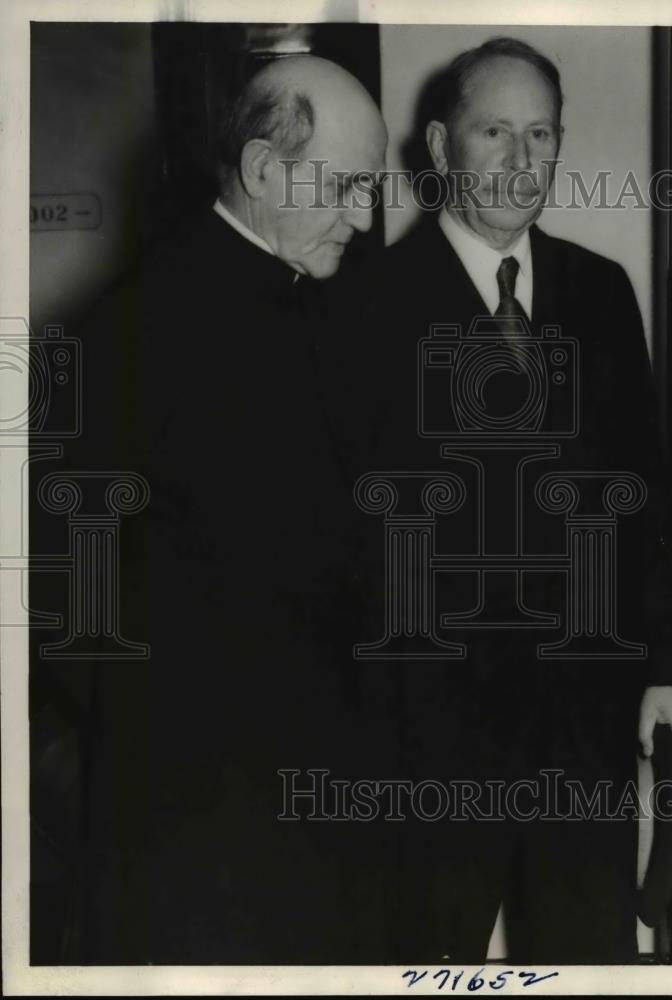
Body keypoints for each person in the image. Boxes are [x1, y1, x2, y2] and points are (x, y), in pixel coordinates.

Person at [360, 36, 672, 963]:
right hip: (427, 732)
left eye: (539, 135)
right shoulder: (366, 305)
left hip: (582, 714)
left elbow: (645, 493)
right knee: (427, 960)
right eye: (493, 131)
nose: (518, 162)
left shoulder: (599, 290)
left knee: (588, 956)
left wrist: (665, 662)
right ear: (438, 147)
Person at [58, 54, 388, 963]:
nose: (364, 215)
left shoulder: (327, 306)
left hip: (320, 808)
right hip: (192, 831)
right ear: (262, 171)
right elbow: (69, 601)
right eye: (348, 186)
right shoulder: (131, 327)